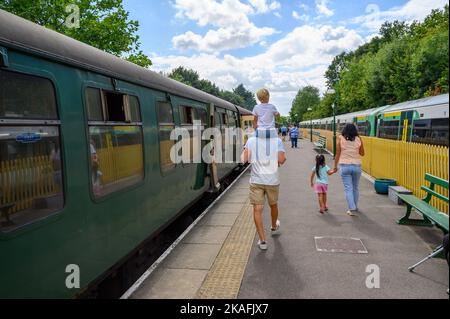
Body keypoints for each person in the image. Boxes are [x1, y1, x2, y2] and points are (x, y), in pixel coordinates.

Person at [241, 129, 287, 251]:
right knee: (273, 205)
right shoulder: (277, 141)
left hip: (256, 181)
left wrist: (245, 151)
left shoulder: (251, 141)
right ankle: (273, 226)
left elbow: (243, 160)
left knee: (257, 209)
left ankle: (262, 241)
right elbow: (282, 160)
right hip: (272, 180)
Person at [333, 123, 365, 216]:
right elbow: (362, 153)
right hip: (357, 166)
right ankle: (354, 206)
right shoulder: (359, 139)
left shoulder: (340, 138)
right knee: (355, 188)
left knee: (348, 188)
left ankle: (352, 208)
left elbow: (338, 154)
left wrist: (335, 166)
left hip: (345, 166)